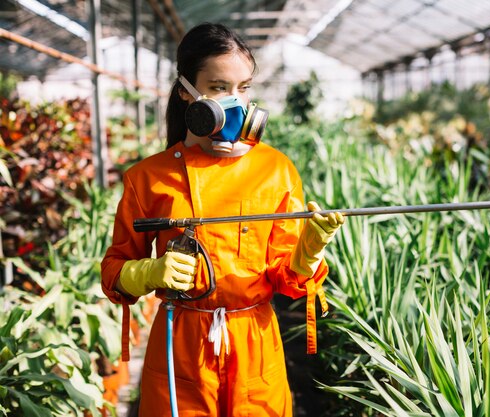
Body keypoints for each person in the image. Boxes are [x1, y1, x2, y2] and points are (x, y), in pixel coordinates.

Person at [100, 22, 344, 416]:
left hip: (254, 343)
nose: (236, 102)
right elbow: (113, 268)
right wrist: (145, 273)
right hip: (181, 346)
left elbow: (288, 279)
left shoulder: (274, 169)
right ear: (186, 92)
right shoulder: (148, 177)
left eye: (243, 88)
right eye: (218, 88)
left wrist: (310, 250)